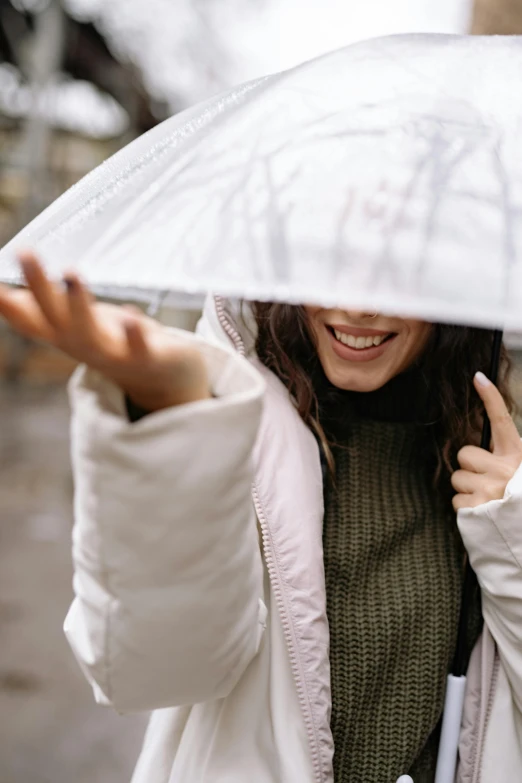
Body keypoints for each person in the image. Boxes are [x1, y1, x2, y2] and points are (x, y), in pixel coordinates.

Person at [0, 251, 521, 783]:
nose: (358, 305)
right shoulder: (228, 421)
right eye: (336, 260)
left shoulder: (496, 458)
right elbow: (149, 671)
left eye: (394, 267)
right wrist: (177, 434)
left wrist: (514, 540)